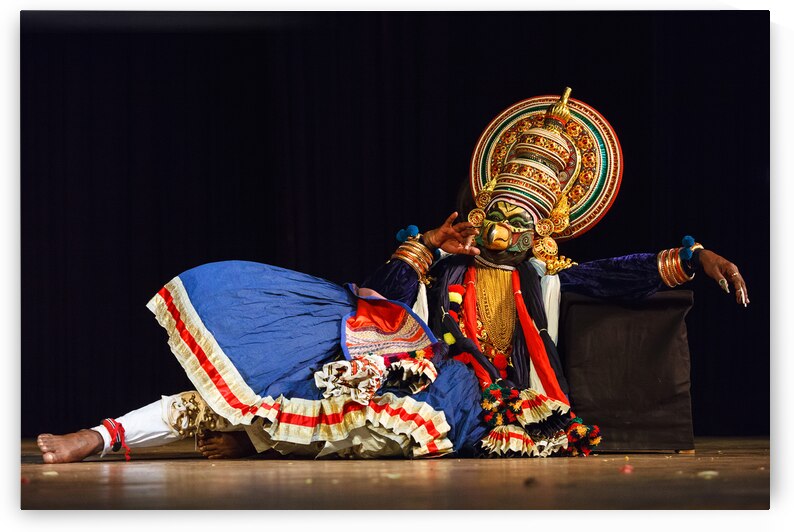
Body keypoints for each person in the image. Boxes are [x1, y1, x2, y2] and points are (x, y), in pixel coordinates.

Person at [36, 88, 749, 463]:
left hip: (478, 400)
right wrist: (426, 250)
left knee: (340, 424)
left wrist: (693, 257)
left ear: (543, 231)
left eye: (520, 221)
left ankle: (239, 436)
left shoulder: (549, 279)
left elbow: (620, 275)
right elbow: (387, 303)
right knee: (277, 386)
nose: (503, 229)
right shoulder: (446, 260)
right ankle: (101, 436)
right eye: (496, 213)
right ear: (480, 211)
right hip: (399, 356)